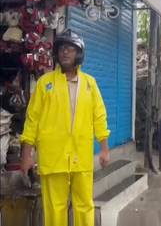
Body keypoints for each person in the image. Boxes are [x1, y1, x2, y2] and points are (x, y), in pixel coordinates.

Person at [20, 29, 111, 226]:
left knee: (84, 206)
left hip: (81, 157)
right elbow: (32, 120)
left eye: (71, 48)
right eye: (62, 48)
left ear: (79, 53)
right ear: (57, 54)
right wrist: (27, 155)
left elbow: (99, 116)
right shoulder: (45, 84)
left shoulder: (90, 84)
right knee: (54, 208)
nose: (66, 53)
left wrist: (104, 149)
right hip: (53, 158)